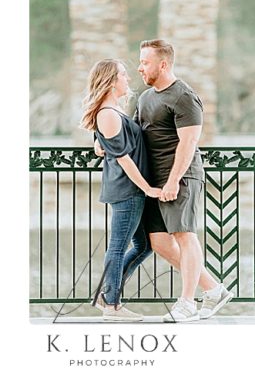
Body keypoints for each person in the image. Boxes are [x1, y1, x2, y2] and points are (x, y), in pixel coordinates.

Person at [135, 39, 232, 322]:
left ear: (163, 64)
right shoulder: (145, 98)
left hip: (182, 176)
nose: (141, 68)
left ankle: (187, 302)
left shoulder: (183, 96)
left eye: (145, 62)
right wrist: (100, 140)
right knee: (160, 243)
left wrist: (174, 180)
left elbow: (189, 142)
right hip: (153, 182)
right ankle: (214, 290)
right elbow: (132, 132)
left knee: (184, 236)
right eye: (141, 62)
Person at [82, 60, 161, 321]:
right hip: (127, 190)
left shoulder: (113, 110)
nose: (128, 78)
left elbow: (108, 138)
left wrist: (97, 141)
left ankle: (107, 295)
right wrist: (147, 188)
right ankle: (111, 305)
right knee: (118, 247)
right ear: (111, 80)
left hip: (130, 189)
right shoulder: (108, 112)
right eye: (123, 75)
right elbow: (125, 158)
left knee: (144, 245)